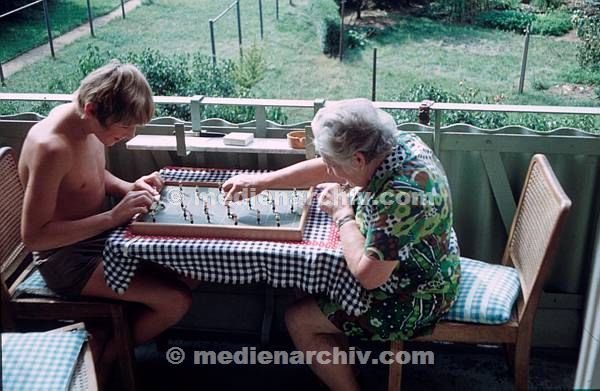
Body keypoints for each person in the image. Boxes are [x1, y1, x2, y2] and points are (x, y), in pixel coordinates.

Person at [223, 98, 461, 390]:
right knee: (303, 285)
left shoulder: (401, 196)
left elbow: (369, 276)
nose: (333, 173)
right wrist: (266, 181)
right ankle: (343, 365)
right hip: (423, 264)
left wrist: (342, 214)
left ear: (358, 159)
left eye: (336, 167)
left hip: (418, 295)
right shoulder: (395, 143)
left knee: (298, 320)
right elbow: (331, 164)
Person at [18, 61, 194, 374]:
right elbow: (34, 237)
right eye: (124, 128)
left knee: (191, 268)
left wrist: (130, 188)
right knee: (175, 301)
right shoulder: (52, 148)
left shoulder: (83, 123)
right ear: (91, 108)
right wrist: (114, 216)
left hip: (100, 239)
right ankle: (104, 365)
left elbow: (90, 176)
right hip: (66, 260)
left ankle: (103, 336)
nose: (128, 136)